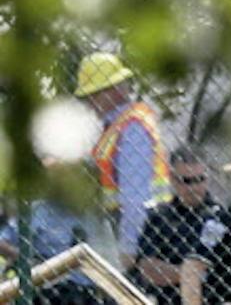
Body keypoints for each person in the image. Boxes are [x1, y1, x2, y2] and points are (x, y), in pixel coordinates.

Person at [134, 148, 231, 305]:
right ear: (173, 179)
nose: (194, 188)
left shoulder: (222, 215)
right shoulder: (160, 216)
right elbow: (149, 270)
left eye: (200, 179)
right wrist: (198, 274)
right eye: (187, 181)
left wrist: (196, 273)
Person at [78, 51, 170, 272]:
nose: (89, 102)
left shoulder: (132, 128)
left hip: (144, 238)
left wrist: (128, 251)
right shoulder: (114, 127)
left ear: (114, 90)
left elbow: (135, 198)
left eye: (94, 94)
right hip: (132, 232)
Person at [1, 177, 98, 305]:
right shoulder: (41, 210)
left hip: (87, 286)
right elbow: (2, 242)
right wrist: (27, 258)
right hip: (53, 287)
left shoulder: (93, 213)